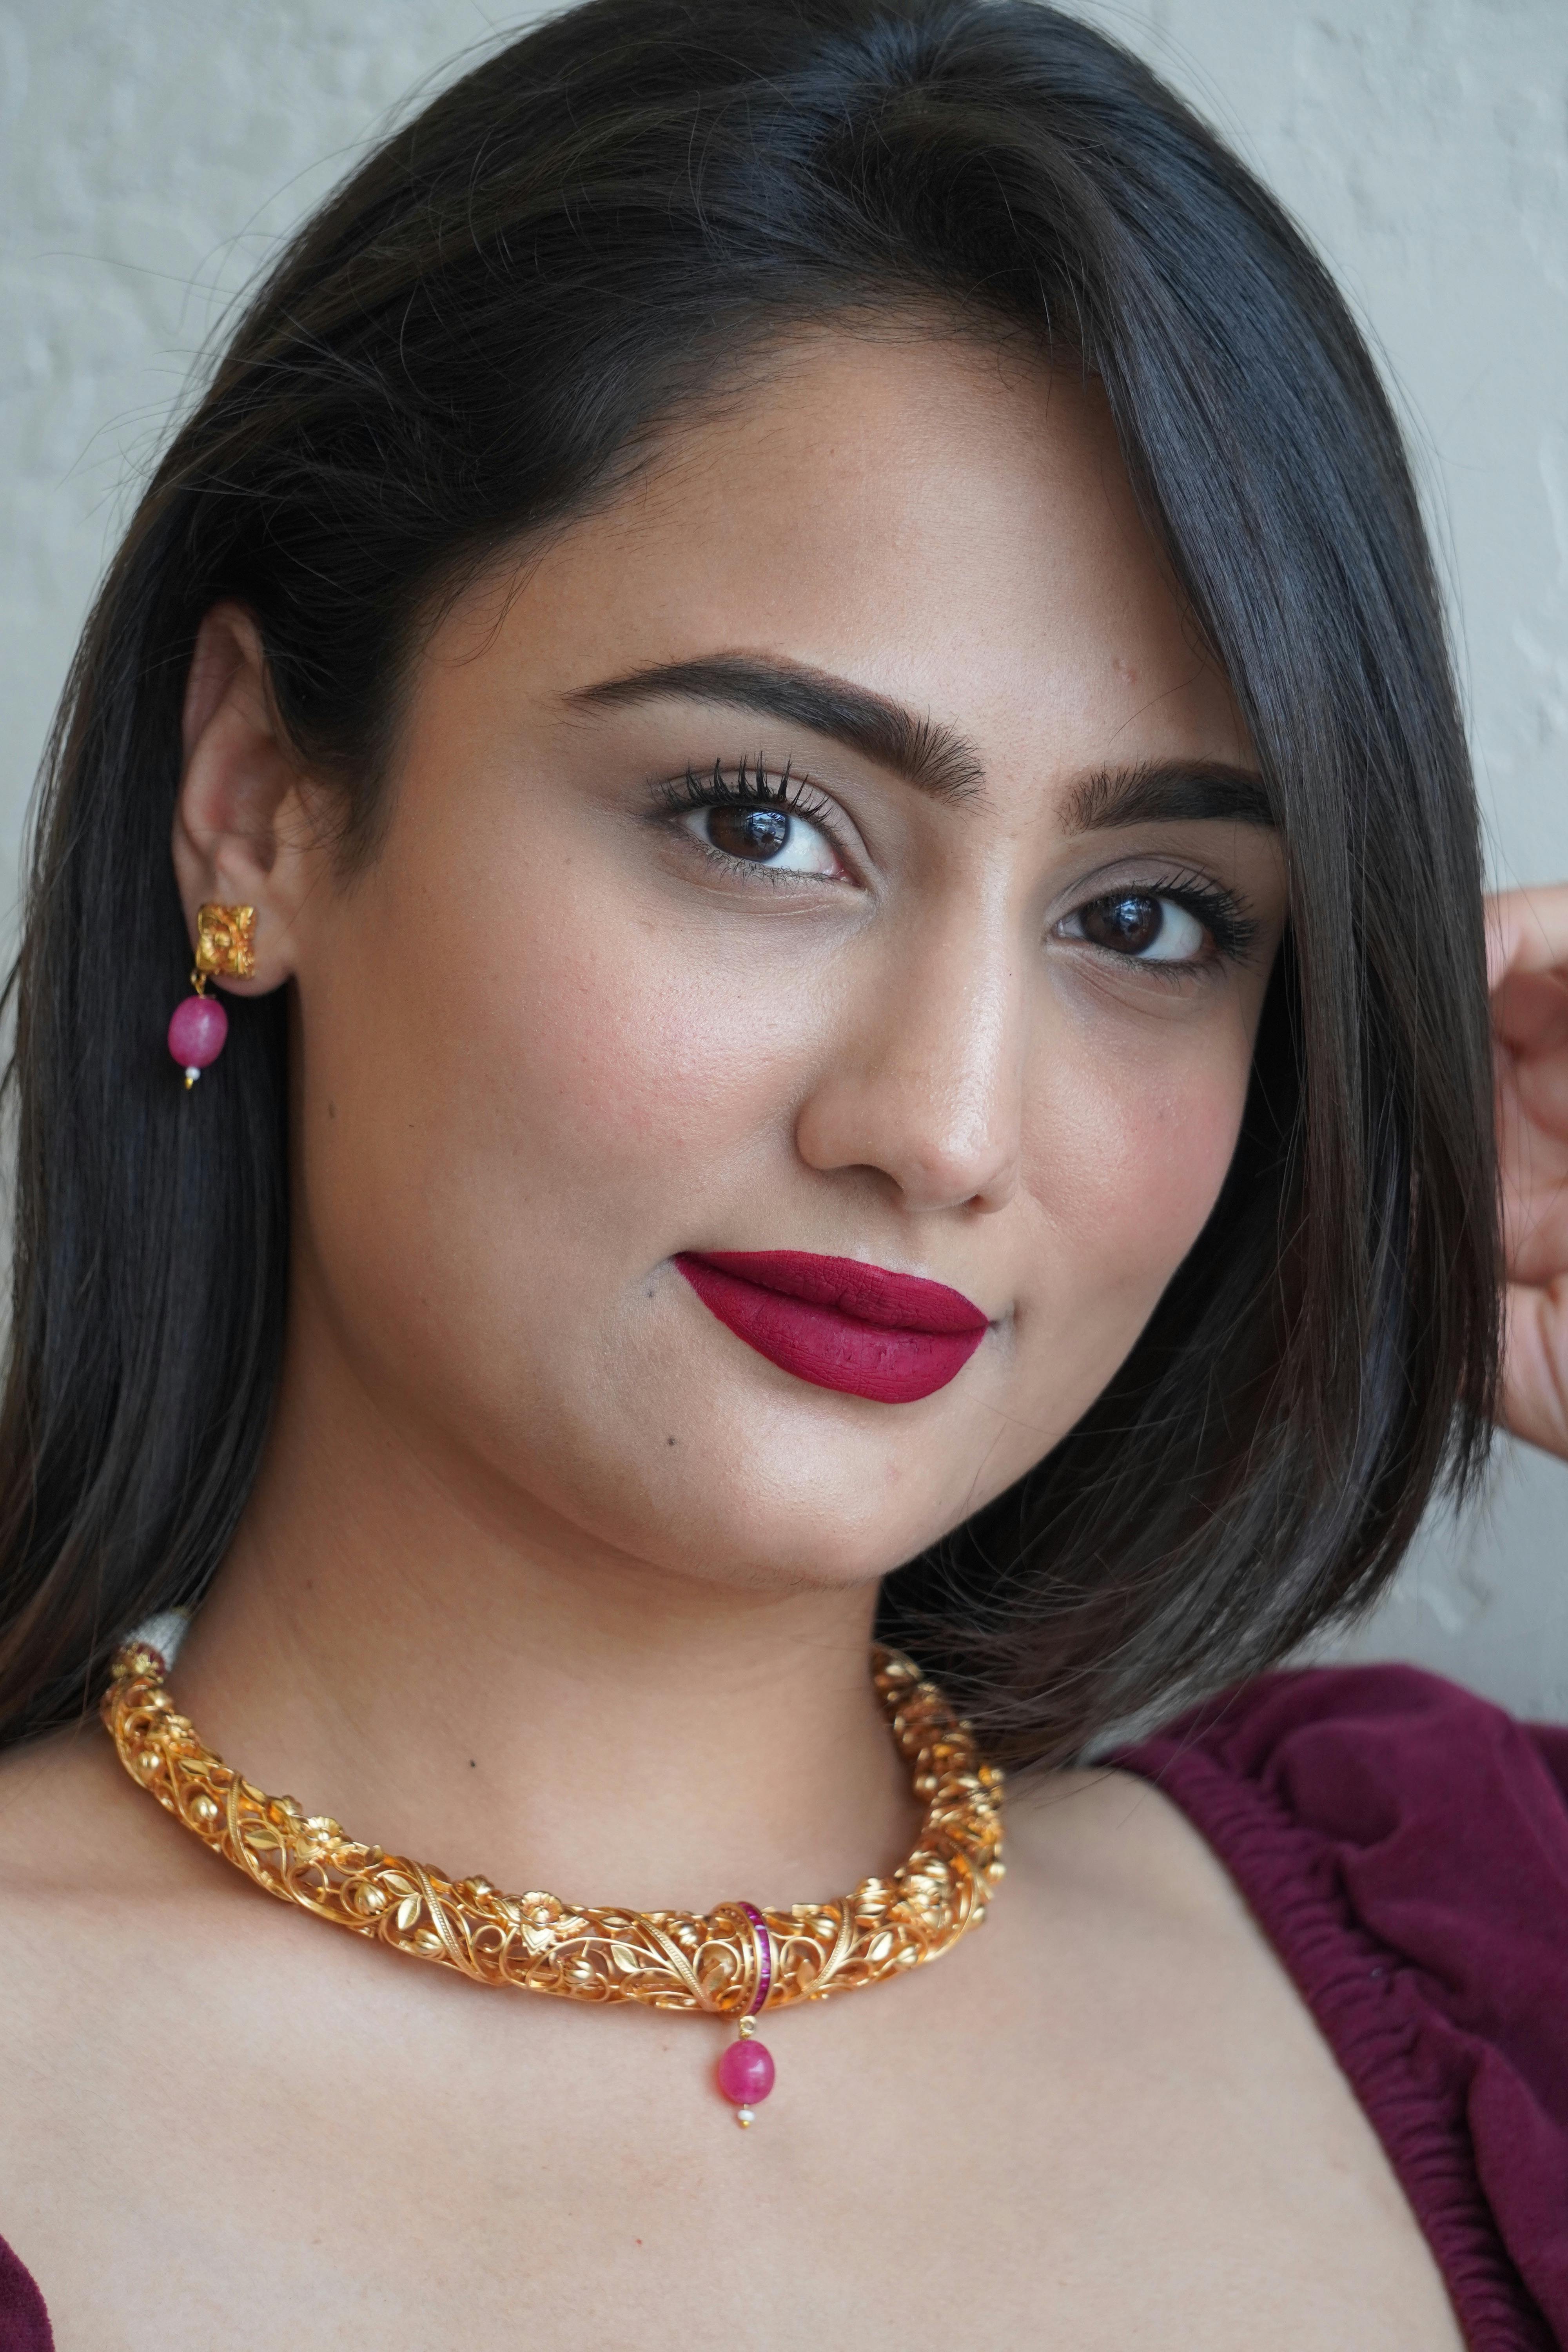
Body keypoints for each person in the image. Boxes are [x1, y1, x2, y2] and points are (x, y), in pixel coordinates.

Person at [0, 0, 1563, 2341]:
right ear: (258, 797)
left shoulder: (1495, 1955)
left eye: (1145, 920)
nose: (940, 1127)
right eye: (762, 824)